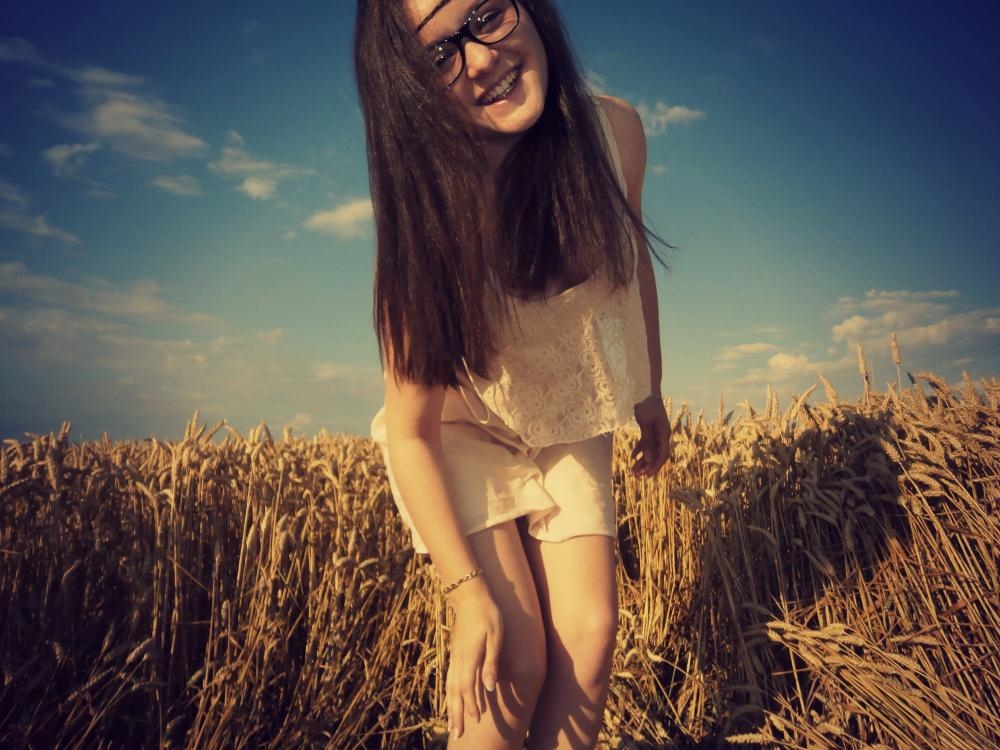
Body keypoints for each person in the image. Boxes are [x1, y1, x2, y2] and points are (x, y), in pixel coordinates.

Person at [355, 1, 672, 746]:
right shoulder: (430, 213)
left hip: (567, 404)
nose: (480, 60)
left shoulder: (615, 132)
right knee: (515, 657)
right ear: (410, 88)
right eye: (439, 55)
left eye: (487, 14)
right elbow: (411, 431)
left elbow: (634, 267)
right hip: (457, 432)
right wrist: (468, 596)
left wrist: (649, 387)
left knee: (590, 635)